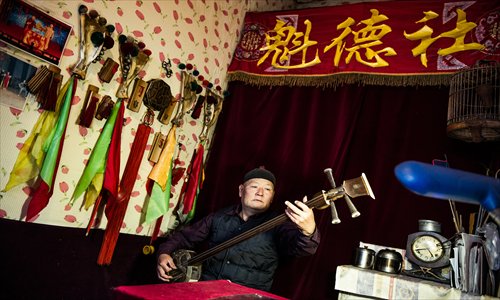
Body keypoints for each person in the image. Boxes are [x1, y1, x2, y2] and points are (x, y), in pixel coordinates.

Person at [156, 167, 320, 292]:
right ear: (241, 191)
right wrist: (164, 253)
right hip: (206, 291)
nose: (260, 193)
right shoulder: (219, 217)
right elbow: (183, 237)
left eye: (268, 189)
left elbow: (303, 248)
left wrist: (308, 231)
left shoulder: (280, 224)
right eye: (254, 186)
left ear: (273, 195)